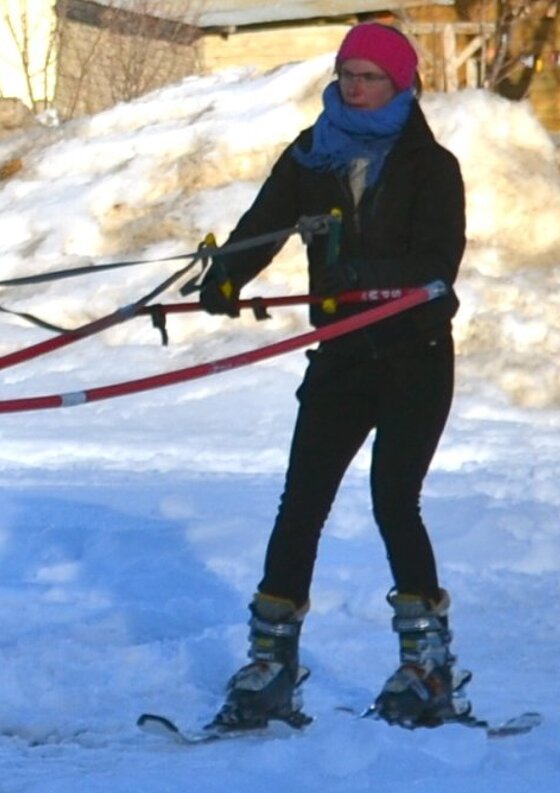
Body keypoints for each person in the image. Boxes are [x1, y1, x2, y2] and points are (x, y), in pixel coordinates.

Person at [198, 22, 466, 729]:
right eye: (347, 73)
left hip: (413, 357)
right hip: (341, 358)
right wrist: (226, 275)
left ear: (399, 84)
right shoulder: (311, 155)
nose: (354, 86)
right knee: (301, 503)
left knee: (394, 500)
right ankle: (270, 666)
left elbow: (437, 265)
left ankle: (427, 667)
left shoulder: (430, 167)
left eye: (370, 76)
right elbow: (264, 224)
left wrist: (359, 275)